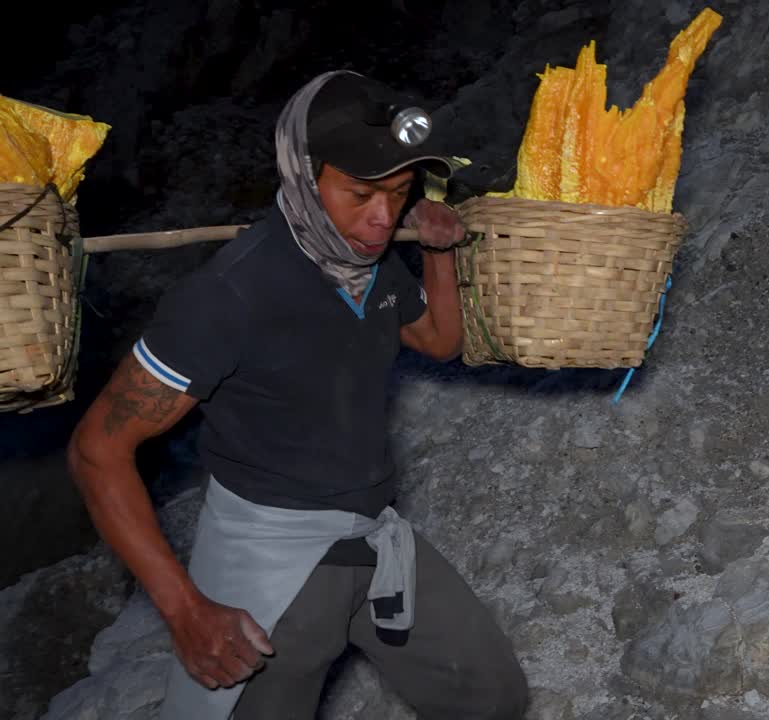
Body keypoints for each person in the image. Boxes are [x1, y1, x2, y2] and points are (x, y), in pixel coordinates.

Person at [66, 70, 529, 719]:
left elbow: (438, 340)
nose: (379, 218)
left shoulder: (371, 263)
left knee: (490, 697)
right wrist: (185, 610)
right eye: (360, 192)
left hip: (374, 540)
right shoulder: (229, 295)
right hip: (269, 558)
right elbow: (96, 451)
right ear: (304, 177)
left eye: (397, 194)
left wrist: (438, 252)